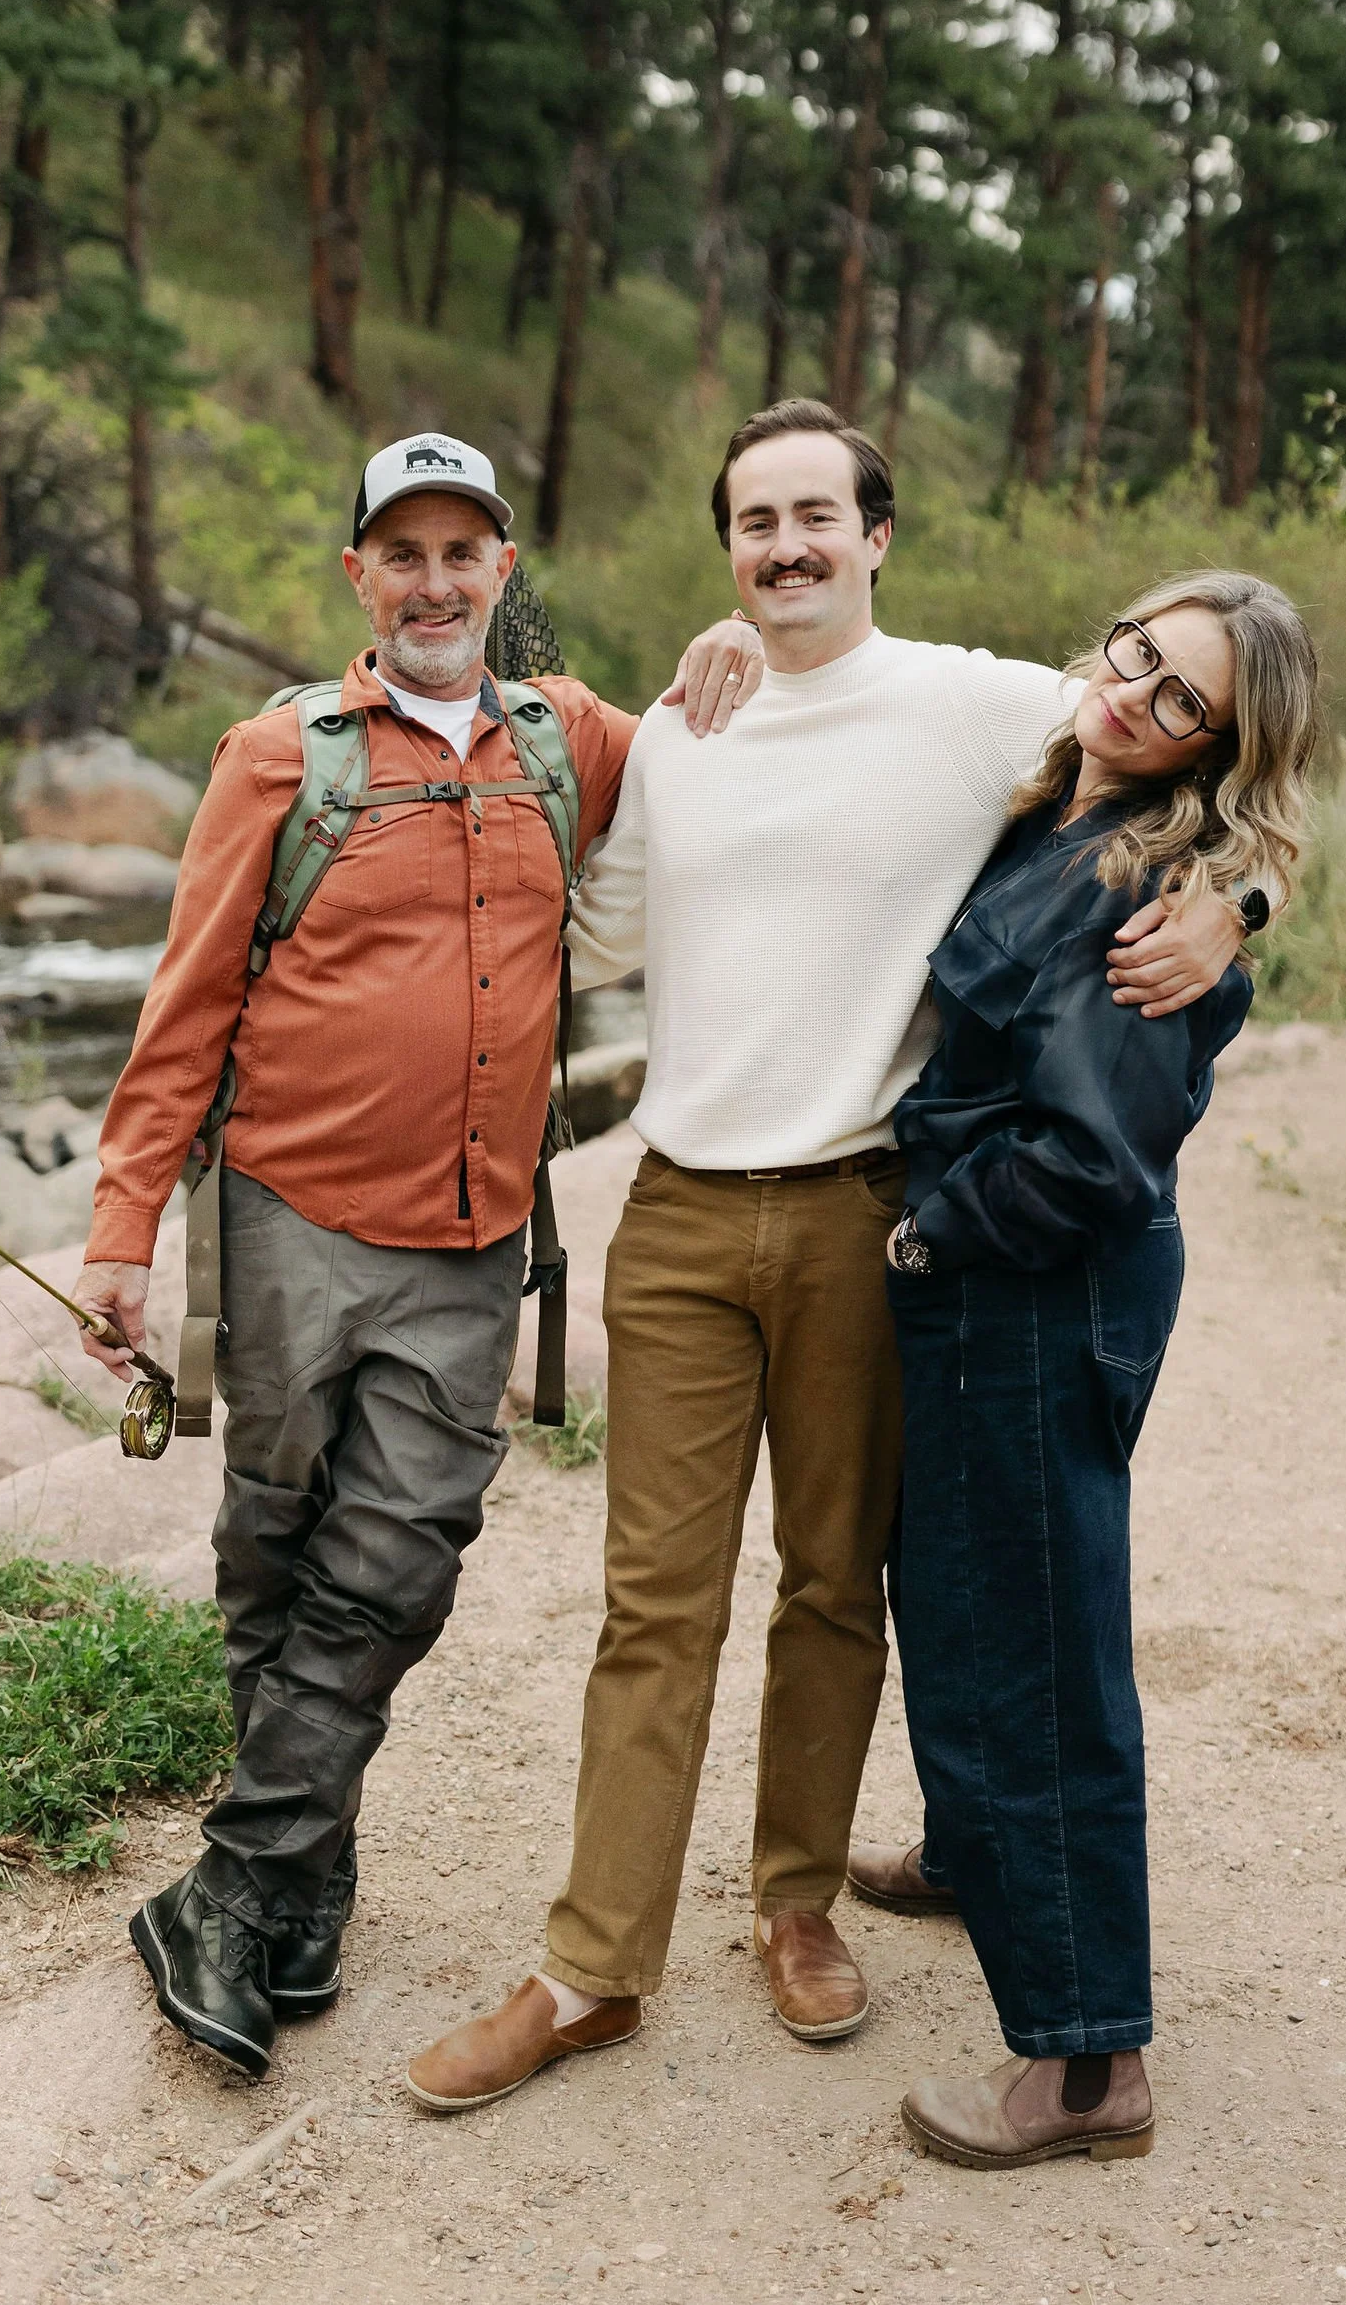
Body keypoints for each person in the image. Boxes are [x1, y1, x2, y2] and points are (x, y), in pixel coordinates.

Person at [404, 407, 1255, 2117]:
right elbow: (599, 933)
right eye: (755, 524)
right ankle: (593, 1965)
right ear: (729, 547)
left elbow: (1197, 756)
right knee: (654, 1605)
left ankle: (796, 1906)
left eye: (818, 518)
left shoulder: (984, 704)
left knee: (830, 1587)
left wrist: (1242, 899)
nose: (786, 548)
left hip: (875, 1213)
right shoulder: (680, 727)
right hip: (684, 1215)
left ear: (877, 535)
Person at [69, 431, 754, 2078]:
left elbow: (713, 750)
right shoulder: (275, 756)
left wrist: (728, 646)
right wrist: (121, 1229)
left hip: (471, 1241)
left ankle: (232, 1887)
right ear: (359, 576)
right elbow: (189, 1008)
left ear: (503, 574)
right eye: (406, 553)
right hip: (290, 1224)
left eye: (467, 553)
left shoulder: (565, 739)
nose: (437, 582)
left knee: (399, 1563)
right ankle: (299, 1884)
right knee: (277, 1548)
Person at [881, 570, 1319, 2169]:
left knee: (1038, 1636)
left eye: (1183, 697)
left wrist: (931, 1239)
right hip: (995, 1280)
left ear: (1220, 746)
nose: (1135, 689)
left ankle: (1088, 2064)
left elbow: (1089, 1160)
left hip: (1030, 1283)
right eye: (1139, 649)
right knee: (948, 1581)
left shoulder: (1148, 892)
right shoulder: (1054, 783)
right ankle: (976, 1851)